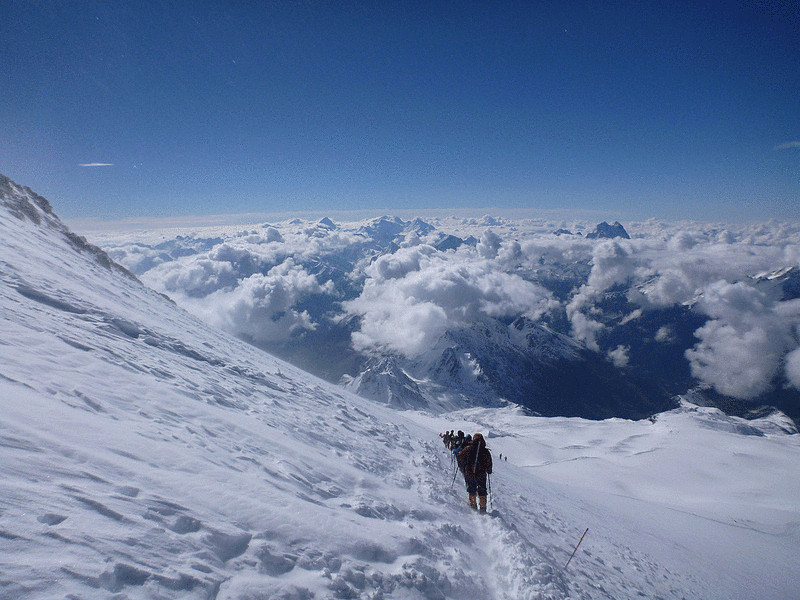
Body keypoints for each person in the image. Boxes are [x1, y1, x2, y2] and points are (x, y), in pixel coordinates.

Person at [457, 432, 492, 513]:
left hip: (470, 472)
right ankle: (483, 507)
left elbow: (460, 457)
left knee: (472, 488)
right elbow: (489, 464)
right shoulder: (486, 451)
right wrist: (488, 470)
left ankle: (473, 504)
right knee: (482, 489)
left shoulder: (468, 448)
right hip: (482, 474)